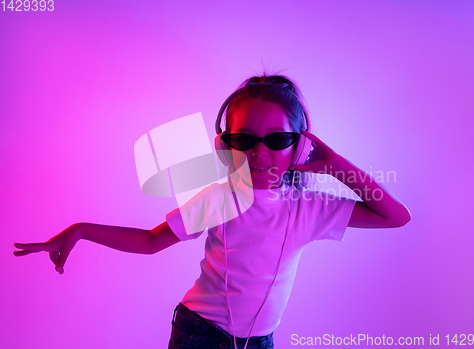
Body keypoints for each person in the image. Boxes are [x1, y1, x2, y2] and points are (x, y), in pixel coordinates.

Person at [14, 74, 411, 349]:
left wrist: (333, 163)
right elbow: (152, 241)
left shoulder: (309, 210)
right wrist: (81, 229)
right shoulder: (218, 199)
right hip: (197, 334)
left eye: (277, 140)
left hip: (259, 341)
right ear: (226, 146)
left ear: (300, 146)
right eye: (244, 140)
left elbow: (395, 216)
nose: (259, 152)